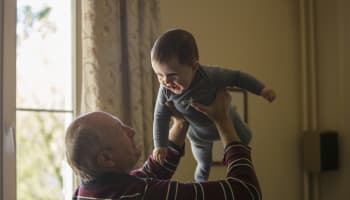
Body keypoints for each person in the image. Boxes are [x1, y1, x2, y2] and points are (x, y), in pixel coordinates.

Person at [65, 89, 262, 199]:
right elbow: (246, 192)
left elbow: (149, 173)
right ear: (106, 158)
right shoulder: (142, 195)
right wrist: (224, 122)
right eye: (121, 131)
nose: (131, 131)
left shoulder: (86, 192)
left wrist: (180, 124)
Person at [151, 28, 276, 181]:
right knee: (203, 163)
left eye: (172, 75)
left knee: (246, 137)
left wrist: (261, 89)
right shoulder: (165, 90)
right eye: (159, 75)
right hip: (198, 134)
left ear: (194, 67)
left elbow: (237, 77)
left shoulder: (210, 76)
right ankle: (200, 185)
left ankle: (229, 157)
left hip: (227, 118)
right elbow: (160, 117)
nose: (166, 82)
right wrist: (160, 145)